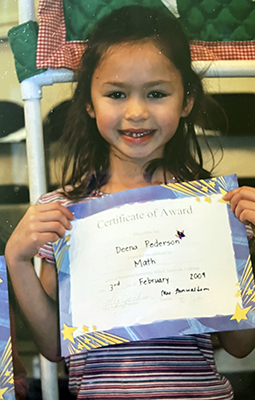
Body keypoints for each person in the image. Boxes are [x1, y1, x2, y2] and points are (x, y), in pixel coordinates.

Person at [5, 5, 255, 399]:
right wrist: (17, 259)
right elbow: (55, 347)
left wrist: (248, 245)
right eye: (116, 94)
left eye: (156, 93)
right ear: (89, 102)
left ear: (186, 100)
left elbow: (240, 344)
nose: (136, 112)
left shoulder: (215, 207)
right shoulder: (64, 212)